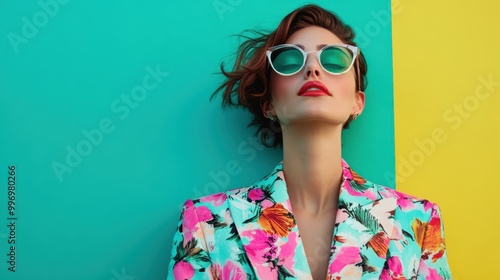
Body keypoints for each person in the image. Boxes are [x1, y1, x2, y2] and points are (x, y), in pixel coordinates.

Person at [167, 4, 452, 279]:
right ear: (268, 104)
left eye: (335, 60)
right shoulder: (205, 224)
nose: (313, 69)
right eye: (290, 61)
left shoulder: (417, 223)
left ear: (357, 101)